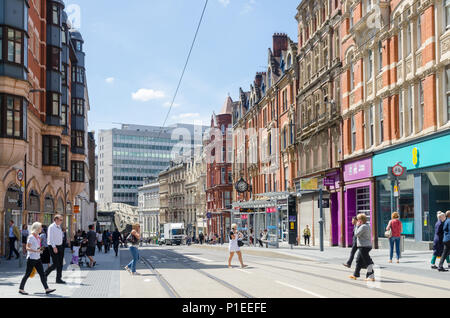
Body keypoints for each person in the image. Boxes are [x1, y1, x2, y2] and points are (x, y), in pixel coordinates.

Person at [19, 222, 56, 295]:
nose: (41, 229)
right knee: (27, 274)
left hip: (38, 258)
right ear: (37, 228)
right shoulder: (31, 237)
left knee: (42, 274)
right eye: (40, 227)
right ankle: (21, 289)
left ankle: (47, 289)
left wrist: (41, 249)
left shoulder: (38, 237)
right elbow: (27, 247)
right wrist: (36, 250)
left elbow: (37, 247)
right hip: (31, 258)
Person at [349, 213, 375, 281]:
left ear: (361, 220)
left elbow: (356, 234)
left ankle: (371, 276)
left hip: (364, 246)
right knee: (359, 260)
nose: (357, 221)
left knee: (367, 261)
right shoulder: (365, 225)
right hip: (364, 246)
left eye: (358, 219)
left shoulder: (363, 226)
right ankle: (356, 274)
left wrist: (357, 226)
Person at [44, 215, 65, 284]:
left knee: (60, 263)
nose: (61, 221)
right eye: (60, 220)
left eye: (62, 220)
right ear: (56, 219)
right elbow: (50, 238)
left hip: (60, 246)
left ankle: (58, 279)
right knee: (56, 263)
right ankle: (45, 274)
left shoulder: (59, 227)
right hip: (53, 246)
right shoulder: (51, 227)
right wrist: (54, 247)